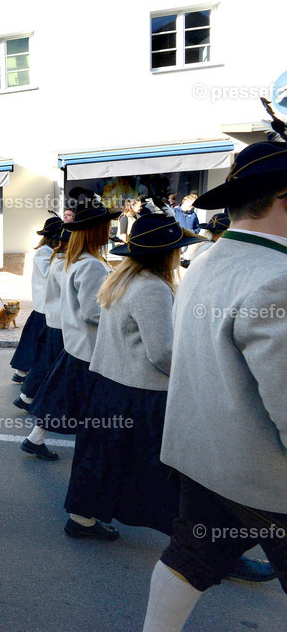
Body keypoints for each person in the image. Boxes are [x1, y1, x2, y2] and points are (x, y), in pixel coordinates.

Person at [142, 141, 287, 630]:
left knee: (190, 559)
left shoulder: (206, 260)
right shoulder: (278, 276)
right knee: (191, 558)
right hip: (267, 475)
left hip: (203, 458)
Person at [64, 210, 201, 541]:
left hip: (109, 386)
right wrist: (190, 377)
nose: (180, 253)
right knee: (164, 470)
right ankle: (195, 544)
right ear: (167, 253)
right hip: (141, 392)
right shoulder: (153, 288)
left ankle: (81, 520)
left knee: (101, 459)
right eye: (178, 248)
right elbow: (162, 352)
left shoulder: (122, 278)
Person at [19, 192, 117, 466]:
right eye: (107, 226)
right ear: (97, 231)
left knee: (62, 395)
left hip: (77, 344)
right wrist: (120, 314)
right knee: (91, 409)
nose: (110, 231)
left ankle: (36, 439)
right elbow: (92, 312)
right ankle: (94, 464)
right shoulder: (91, 265)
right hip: (88, 347)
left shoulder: (76, 260)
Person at [10, 216, 62, 383]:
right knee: (35, 343)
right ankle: (23, 373)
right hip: (44, 306)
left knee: (35, 342)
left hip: (47, 306)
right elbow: (49, 275)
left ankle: (23, 373)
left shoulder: (51, 252)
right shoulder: (43, 252)